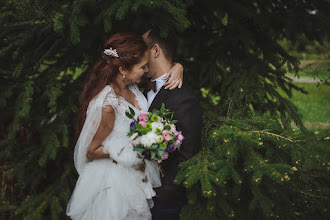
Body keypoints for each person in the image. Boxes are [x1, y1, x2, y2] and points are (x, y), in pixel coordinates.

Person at [66, 32, 183, 220]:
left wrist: (178, 67)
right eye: (142, 67)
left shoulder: (132, 87)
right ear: (123, 69)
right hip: (114, 185)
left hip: (136, 179)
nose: (146, 70)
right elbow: (91, 150)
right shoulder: (108, 105)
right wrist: (136, 147)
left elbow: (161, 73)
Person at [142, 29, 203, 220]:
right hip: (137, 191)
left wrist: (162, 195)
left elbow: (187, 156)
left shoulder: (183, 99)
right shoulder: (137, 87)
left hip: (163, 200)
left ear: (155, 50)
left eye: (141, 48)